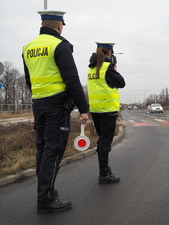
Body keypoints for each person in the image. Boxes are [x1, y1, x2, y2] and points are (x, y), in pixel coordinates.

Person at [22, 9, 89, 214]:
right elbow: (71, 80)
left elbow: (29, 80)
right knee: (53, 150)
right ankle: (46, 199)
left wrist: (40, 97)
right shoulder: (60, 45)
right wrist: (84, 109)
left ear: (42, 24)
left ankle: (46, 193)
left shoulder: (28, 47)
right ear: (59, 25)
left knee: (42, 150)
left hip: (38, 104)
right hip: (57, 107)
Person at [87, 42, 125, 184]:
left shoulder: (91, 68)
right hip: (107, 111)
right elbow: (121, 83)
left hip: (96, 110)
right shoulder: (107, 68)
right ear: (109, 53)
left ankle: (104, 169)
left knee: (102, 140)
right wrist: (114, 69)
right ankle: (103, 173)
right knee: (105, 143)